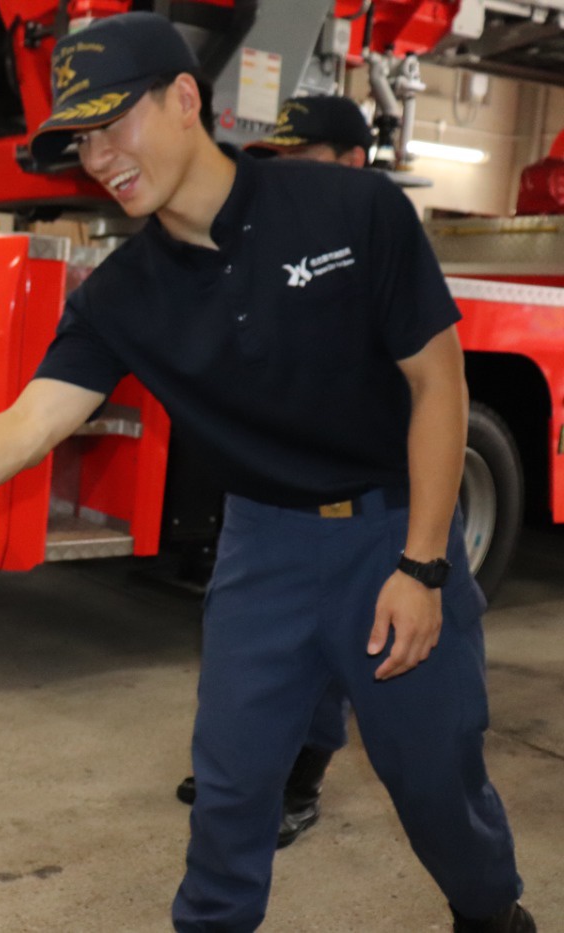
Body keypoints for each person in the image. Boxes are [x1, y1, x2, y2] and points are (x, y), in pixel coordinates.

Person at [0, 13, 533, 933]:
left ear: (184, 97)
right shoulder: (127, 292)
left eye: (111, 123)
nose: (100, 158)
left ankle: (493, 917)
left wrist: (421, 565)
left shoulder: (347, 210)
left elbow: (437, 379)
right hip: (264, 550)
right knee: (232, 785)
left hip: (391, 531)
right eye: (81, 143)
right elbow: (26, 422)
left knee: (437, 781)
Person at [173, 93, 378, 847]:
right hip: (260, 493)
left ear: (354, 163)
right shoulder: (261, 242)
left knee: (325, 652)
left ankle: (301, 780)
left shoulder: (378, 249)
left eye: (305, 158)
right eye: (277, 158)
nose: (285, 174)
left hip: (340, 505)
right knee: (237, 642)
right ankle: (242, 764)